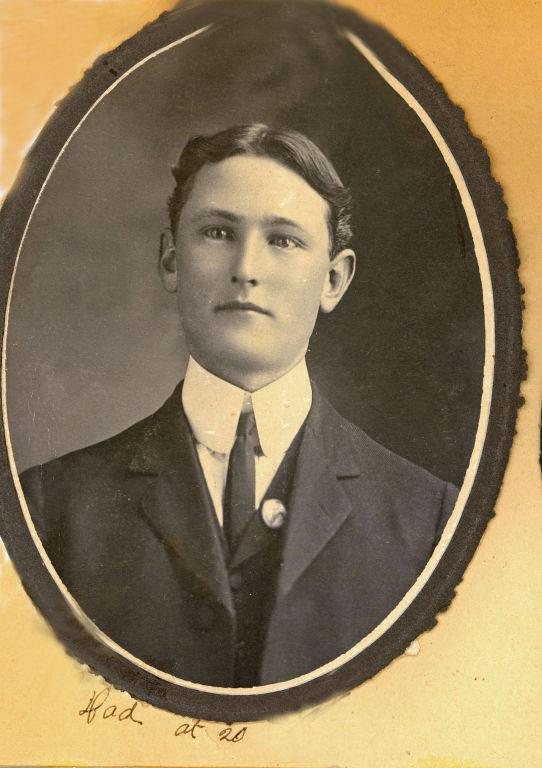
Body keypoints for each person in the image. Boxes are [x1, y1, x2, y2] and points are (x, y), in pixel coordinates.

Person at [20, 124, 458, 688]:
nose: (246, 268)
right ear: (171, 261)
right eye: (218, 231)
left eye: (283, 240)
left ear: (333, 280)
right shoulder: (47, 510)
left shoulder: (430, 521)